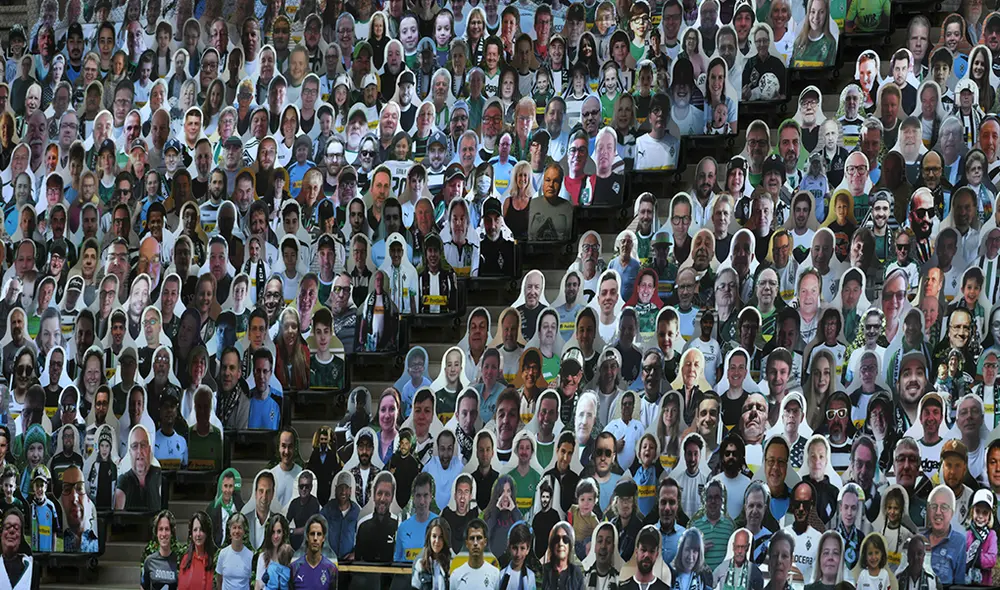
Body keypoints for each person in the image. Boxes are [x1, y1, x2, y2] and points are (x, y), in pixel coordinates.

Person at [289, 515, 338, 590]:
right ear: (307, 537)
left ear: (323, 538)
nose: (315, 538)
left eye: (319, 534)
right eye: (312, 534)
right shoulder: (294, 568)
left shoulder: (331, 569)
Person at [451, 518, 500, 589]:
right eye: (472, 538)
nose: (475, 543)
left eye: (479, 538)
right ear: (466, 543)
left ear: (485, 542)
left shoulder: (495, 574)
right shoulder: (456, 575)